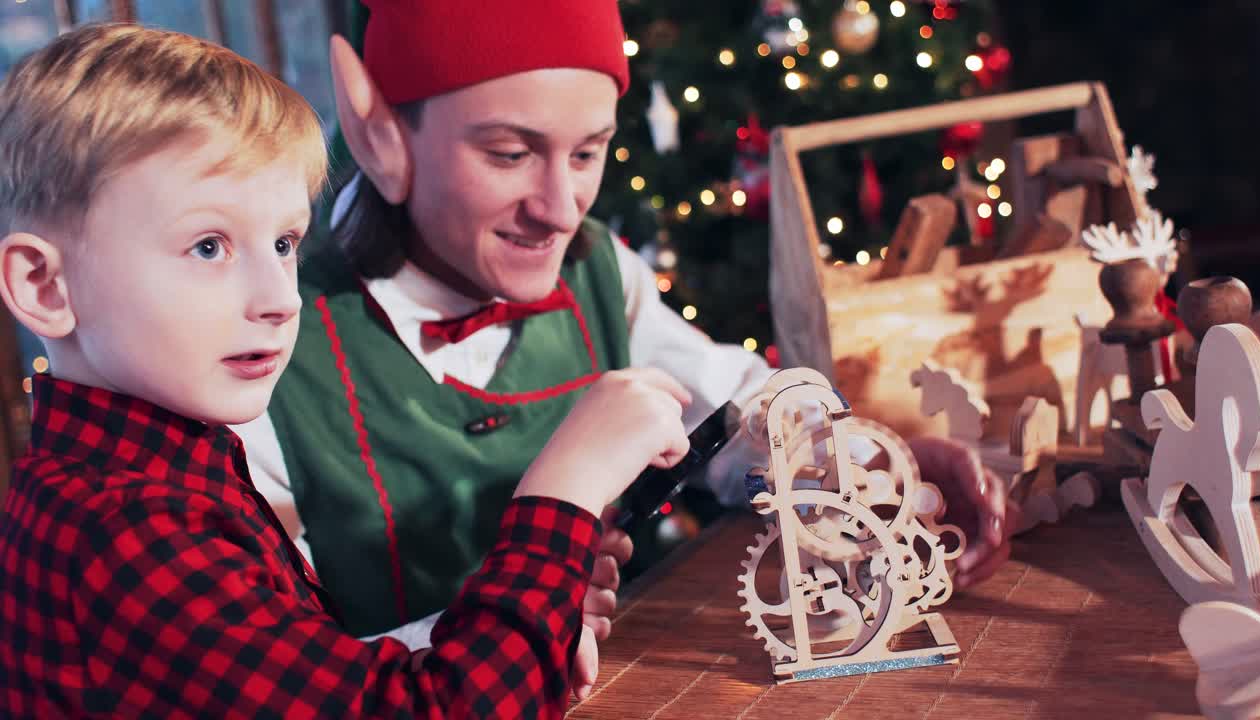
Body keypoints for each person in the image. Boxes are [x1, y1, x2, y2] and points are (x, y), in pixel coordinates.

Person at [234, 0, 1019, 700]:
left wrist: (870, 471)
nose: (560, 208)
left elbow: (738, 427)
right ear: (385, 139)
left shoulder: (597, 270)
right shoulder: (263, 346)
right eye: (508, 154)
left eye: (587, 154)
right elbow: (290, 682)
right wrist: (518, 618)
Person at [0, 23, 693, 717]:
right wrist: (568, 486)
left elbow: (321, 680)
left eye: (284, 244)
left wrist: (516, 634)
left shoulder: (167, 473)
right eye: (209, 247)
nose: (278, 299)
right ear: (44, 286)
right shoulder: (128, 531)